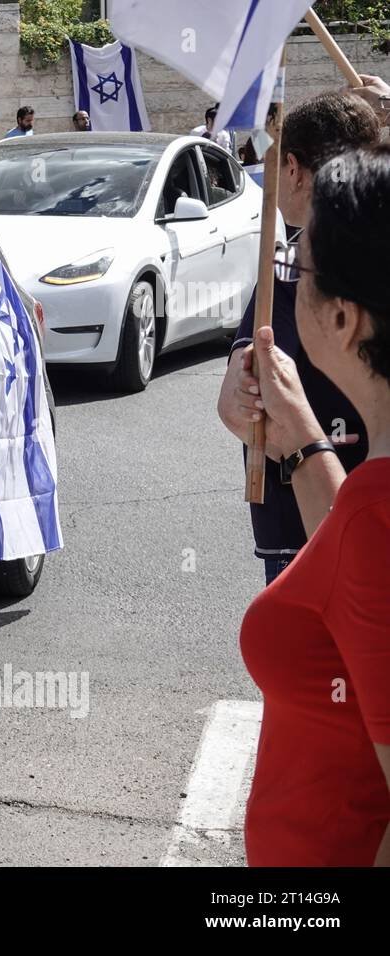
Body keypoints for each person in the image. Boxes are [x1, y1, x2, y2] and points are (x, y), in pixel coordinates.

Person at [239, 143, 390, 867]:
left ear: (342, 322)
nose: (284, 275)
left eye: (298, 263)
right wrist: (300, 439)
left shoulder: (375, 518)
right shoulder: (369, 506)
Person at [217, 91, 382, 584]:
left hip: (317, 526)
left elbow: (248, 394)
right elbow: (246, 379)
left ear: (292, 168)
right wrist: (243, 379)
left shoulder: (294, 264)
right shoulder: (290, 264)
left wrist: (269, 415)